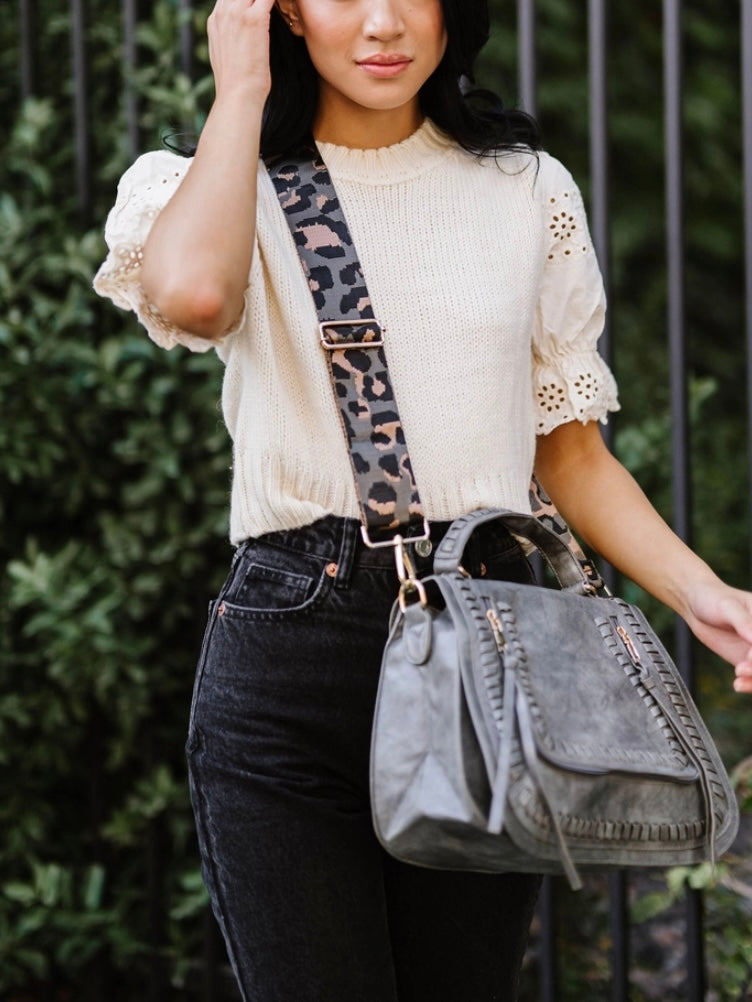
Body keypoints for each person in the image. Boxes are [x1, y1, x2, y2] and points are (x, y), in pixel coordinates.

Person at [93, 0, 752, 998]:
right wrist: (239, 93)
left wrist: (705, 599)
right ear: (279, 15)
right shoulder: (214, 184)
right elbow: (193, 297)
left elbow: (566, 453)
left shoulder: (522, 190)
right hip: (292, 651)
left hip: (484, 649)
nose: (381, 21)